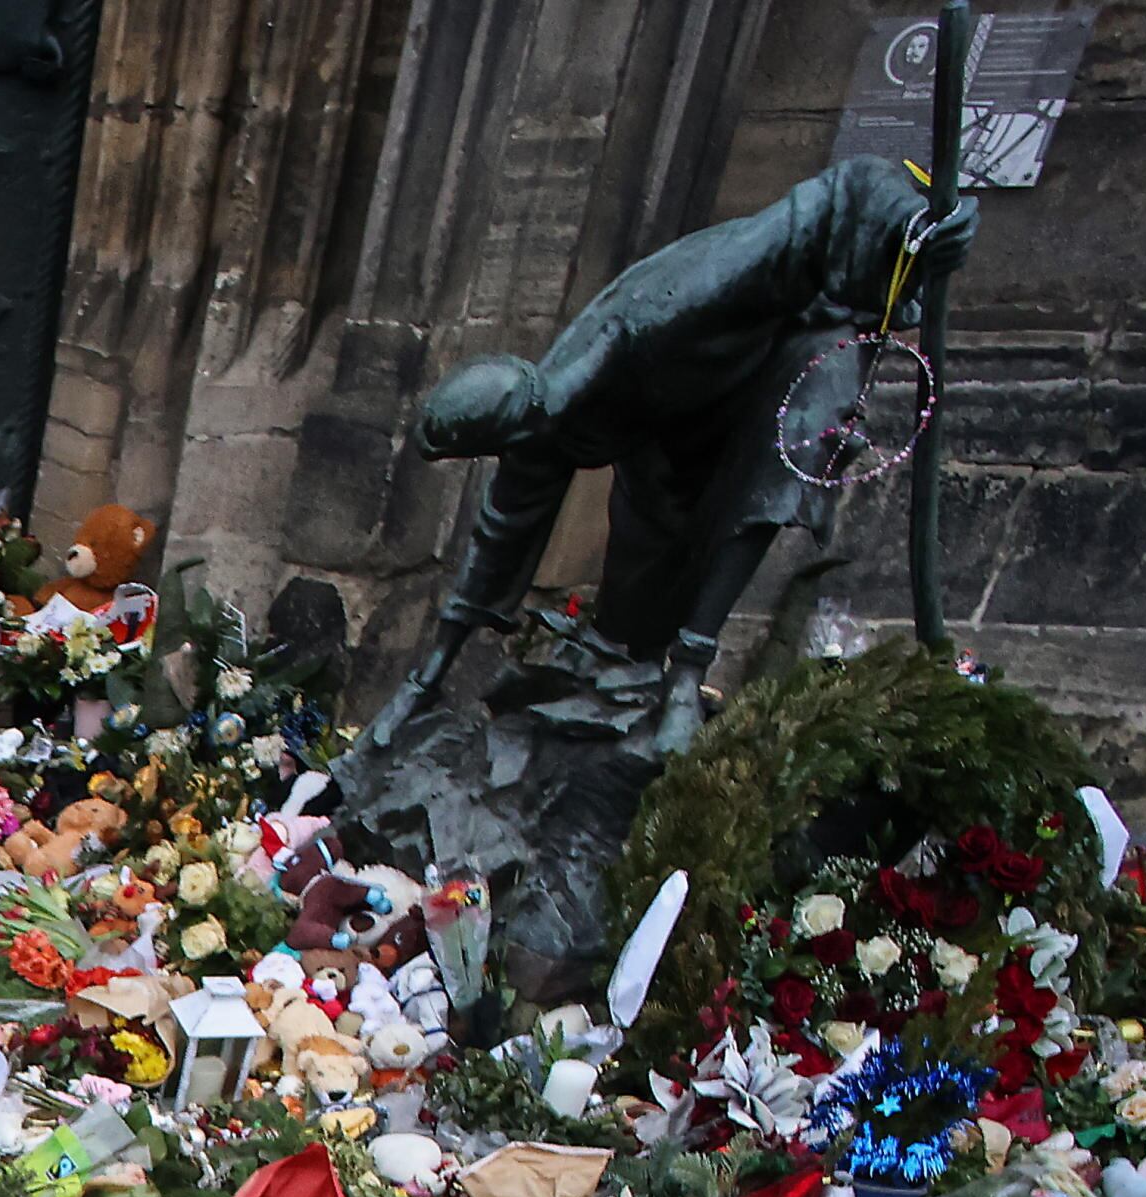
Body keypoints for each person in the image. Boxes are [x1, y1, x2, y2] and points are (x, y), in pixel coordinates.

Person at [382, 156, 971, 752]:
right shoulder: (540, 431)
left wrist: (915, 225)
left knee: (791, 446)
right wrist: (422, 679)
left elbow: (829, 201)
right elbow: (497, 542)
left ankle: (690, 673)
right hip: (668, 437)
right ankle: (633, 684)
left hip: (778, 360)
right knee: (632, 619)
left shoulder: (677, 300)